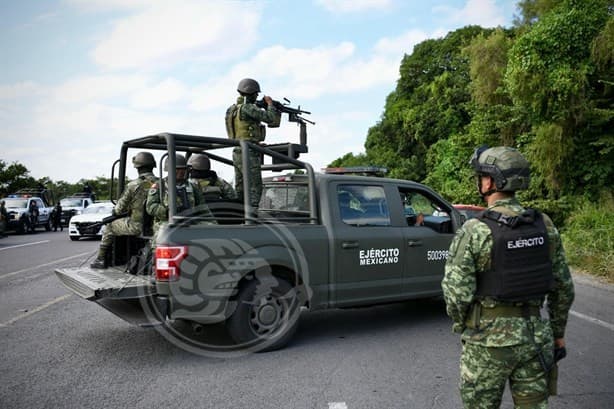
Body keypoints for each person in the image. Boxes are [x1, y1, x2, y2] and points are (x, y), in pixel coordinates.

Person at [442, 146, 575, 408]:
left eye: (481, 176)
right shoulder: (544, 224)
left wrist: (465, 326)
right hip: (535, 338)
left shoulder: (475, 229)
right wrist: (557, 333)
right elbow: (563, 287)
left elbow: (456, 293)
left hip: (486, 344)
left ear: (490, 181)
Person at [90, 152, 158, 269]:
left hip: (137, 226)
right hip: (156, 225)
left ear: (137, 167)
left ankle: (100, 259)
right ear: (153, 166)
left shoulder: (133, 185)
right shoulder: (162, 183)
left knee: (110, 226)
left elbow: (118, 210)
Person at [225, 78, 281, 208]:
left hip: (237, 150)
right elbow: (271, 119)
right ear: (250, 93)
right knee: (255, 187)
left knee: (241, 187)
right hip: (248, 152)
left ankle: (239, 214)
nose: (257, 97)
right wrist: (270, 104)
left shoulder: (232, 109)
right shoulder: (247, 108)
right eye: (256, 94)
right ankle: (252, 217)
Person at [146, 153, 210, 238]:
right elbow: (150, 206)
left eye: (183, 169)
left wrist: (211, 222)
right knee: (164, 238)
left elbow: (203, 207)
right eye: (178, 169)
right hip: (166, 222)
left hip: (189, 221)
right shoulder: (159, 186)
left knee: (209, 230)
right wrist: (166, 211)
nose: (181, 172)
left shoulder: (193, 186)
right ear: (170, 170)